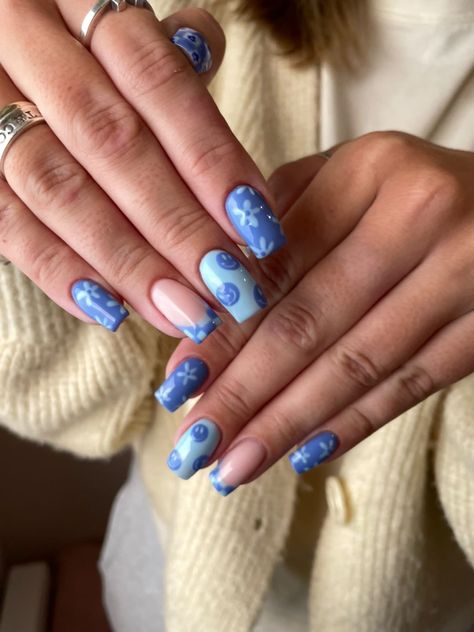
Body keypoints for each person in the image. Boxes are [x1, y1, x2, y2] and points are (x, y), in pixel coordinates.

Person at [0, 0, 473, 630]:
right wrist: (29, 224)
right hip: (173, 577)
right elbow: (83, 412)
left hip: (432, 601)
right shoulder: (165, 14)